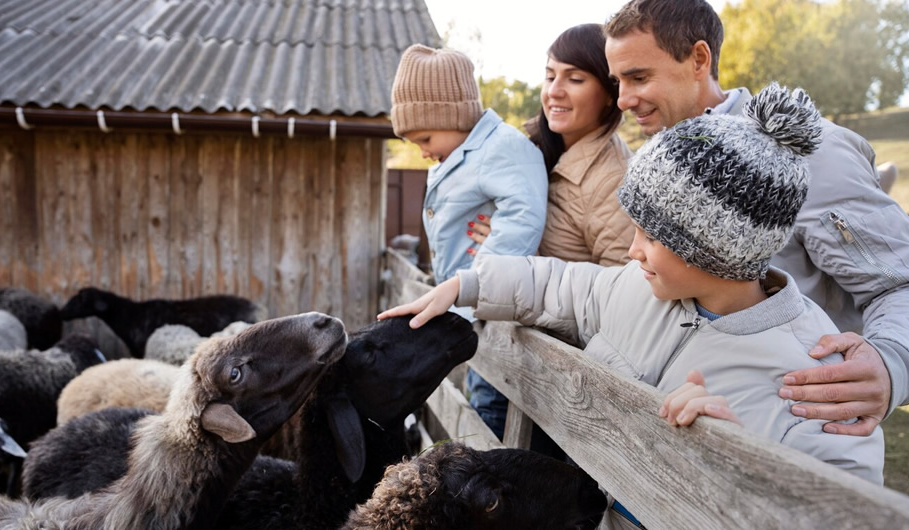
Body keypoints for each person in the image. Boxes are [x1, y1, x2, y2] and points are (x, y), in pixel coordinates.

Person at [379, 83, 884, 527]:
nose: (631, 248)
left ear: (710, 248)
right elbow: (558, 284)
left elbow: (840, 506)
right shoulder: (638, 291)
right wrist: (467, 284)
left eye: (650, 235)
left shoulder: (817, 380)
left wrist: (738, 463)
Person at [603, 0, 909, 437]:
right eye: (618, 81)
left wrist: (891, 360)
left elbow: (898, 279)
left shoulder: (811, 158)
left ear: (699, 59)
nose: (623, 99)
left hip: (794, 434)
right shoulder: (659, 158)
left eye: (638, 77)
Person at [463, 25, 636, 441]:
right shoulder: (534, 150)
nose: (555, 90)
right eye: (550, 75)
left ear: (610, 92)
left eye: (575, 79)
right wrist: (500, 231)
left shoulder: (613, 181)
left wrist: (520, 257)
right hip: (502, 349)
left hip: (548, 377)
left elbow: (621, 296)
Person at [390, 45, 549, 438]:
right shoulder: (465, 152)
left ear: (453, 116)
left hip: (491, 308)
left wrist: (478, 277)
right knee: (479, 390)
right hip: (470, 310)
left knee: (490, 409)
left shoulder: (502, 150)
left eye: (425, 137)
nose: (423, 151)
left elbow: (522, 220)